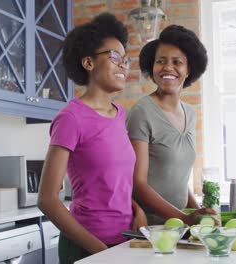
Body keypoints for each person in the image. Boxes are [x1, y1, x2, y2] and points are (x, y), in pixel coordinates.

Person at [38, 13, 146, 264]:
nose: (124, 65)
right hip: (86, 247)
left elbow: (111, 183)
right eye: (115, 57)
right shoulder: (71, 118)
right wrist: (99, 250)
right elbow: (47, 199)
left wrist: (136, 209)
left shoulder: (120, 116)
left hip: (123, 242)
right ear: (88, 63)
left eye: (126, 59)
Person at [126, 25, 214, 226]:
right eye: (161, 61)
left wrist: (196, 211)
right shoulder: (142, 112)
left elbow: (179, 181)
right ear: (152, 67)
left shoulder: (190, 114)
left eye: (177, 62)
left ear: (188, 69)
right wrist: (183, 218)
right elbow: (137, 184)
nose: (167, 68)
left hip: (178, 226)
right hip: (150, 228)